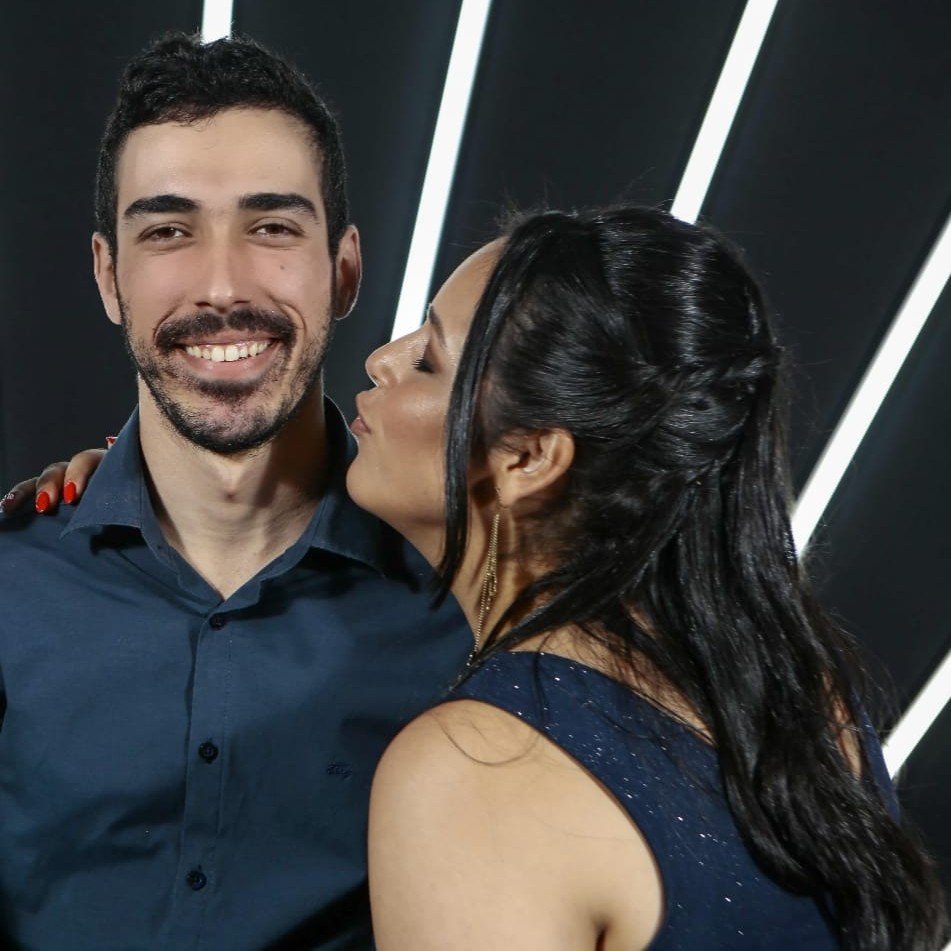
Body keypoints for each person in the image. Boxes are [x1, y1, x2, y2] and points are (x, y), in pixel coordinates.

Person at [343, 208, 946, 948]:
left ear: (530, 458)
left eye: (429, 360)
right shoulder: (799, 696)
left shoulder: (478, 765)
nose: (382, 359)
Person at [0, 32, 468, 950]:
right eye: (168, 231)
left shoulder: (467, 601)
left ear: (343, 269)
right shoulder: (12, 582)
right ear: (108, 276)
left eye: (271, 227)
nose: (221, 284)